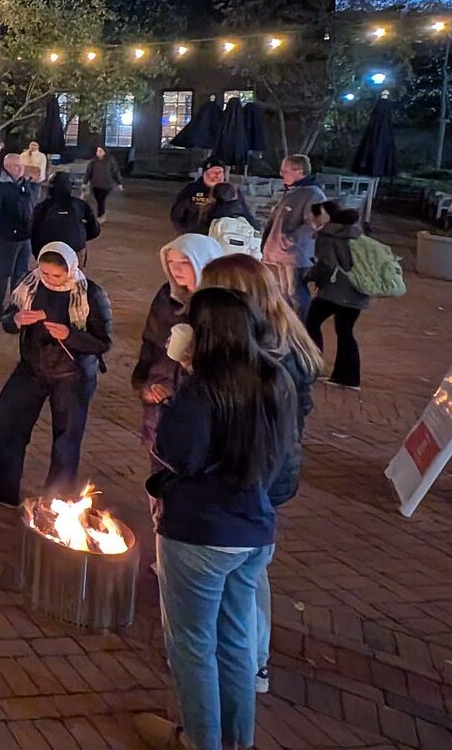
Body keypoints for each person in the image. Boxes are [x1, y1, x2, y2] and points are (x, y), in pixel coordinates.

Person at [133, 288, 297, 750]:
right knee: (236, 638)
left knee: (192, 643)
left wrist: (174, 397)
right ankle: (238, 739)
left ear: (202, 333)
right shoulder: (273, 377)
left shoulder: (203, 389)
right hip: (254, 530)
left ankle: (199, 739)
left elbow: (174, 454)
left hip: (201, 533)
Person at [198, 254, 318, 697]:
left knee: (243, 577)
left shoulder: (264, 355)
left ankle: (249, 662)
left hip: (252, 475)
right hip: (269, 474)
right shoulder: (287, 336)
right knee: (251, 569)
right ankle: (250, 660)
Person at [0, 242, 113, 505]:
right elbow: (9, 317)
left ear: (71, 269)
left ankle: (58, 500)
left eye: (57, 275)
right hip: (32, 368)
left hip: (72, 376)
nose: (50, 280)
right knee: (6, 423)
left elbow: (103, 342)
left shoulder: (90, 294)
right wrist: (16, 321)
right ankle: (1, 489)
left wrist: (70, 335)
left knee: (66, 440)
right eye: (45, 273)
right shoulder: (30, 284)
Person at [133, 234, 224, 456]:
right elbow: (151, 343)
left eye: (185, 262)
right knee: (159, 461)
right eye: (171, 262)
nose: (176, 269)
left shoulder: (220, 305)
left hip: (198, 402)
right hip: (160, 393)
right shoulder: (166, 297)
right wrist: (145, 383)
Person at [306, 201, 367, 389]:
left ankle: (311, 366)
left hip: (334, 290)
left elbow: (326, 264)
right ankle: (348, 378)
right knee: (345, 331)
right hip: (358, 289)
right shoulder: (358, 233)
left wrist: (310, 276)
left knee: (311, 323)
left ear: (320, 216)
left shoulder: (327, 234)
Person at [261, 154, 325, 320]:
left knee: (295, 292)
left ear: (299, 171)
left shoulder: (314, 193)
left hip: (296, 253)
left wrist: (291, 238)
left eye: (285, 170)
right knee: (285, 292)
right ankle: (288, 324)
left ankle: (300, 326)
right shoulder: (293, 190)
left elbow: (319, 220)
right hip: (283, 252)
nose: (282, 174)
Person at [0, 153, 35, 319]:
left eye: (22, 165)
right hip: (8, 236)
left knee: (21, 272)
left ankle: (16, 305)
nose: (21, 169)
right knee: (4, 271)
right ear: (8, 167)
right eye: (17, 166)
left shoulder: (23, 183)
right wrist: (9, 226)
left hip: (25, 235)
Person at [31, 172, 101, 262]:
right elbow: (95, 230)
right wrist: (80, 235)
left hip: (48, 250)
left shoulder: (42, 207)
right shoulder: (80, 205)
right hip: (75, 248)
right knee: (75, 274)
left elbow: (34, 232)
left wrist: (37, 253)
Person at [169, 161, 227, 236]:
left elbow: (243, 213)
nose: (217, 175)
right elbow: (177, 213)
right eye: (214, 172)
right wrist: (183, 231)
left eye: (220, 172)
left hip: (221, 237)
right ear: (205, 173)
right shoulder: (191, 189)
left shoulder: (231, 191)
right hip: (194, 235)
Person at [86, 145, 123, 220]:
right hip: (95, 185)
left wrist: (119, 183)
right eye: (97, 151)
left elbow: (115, 172)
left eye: (100, 151)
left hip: (106, 185)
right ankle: (101, 214)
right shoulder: (93, 162)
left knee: (101, 200)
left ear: (104, 152)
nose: (98, 153)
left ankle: (101, 215)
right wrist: (85, 182)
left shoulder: (110, 161)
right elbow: (89, 173)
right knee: (98, 200)